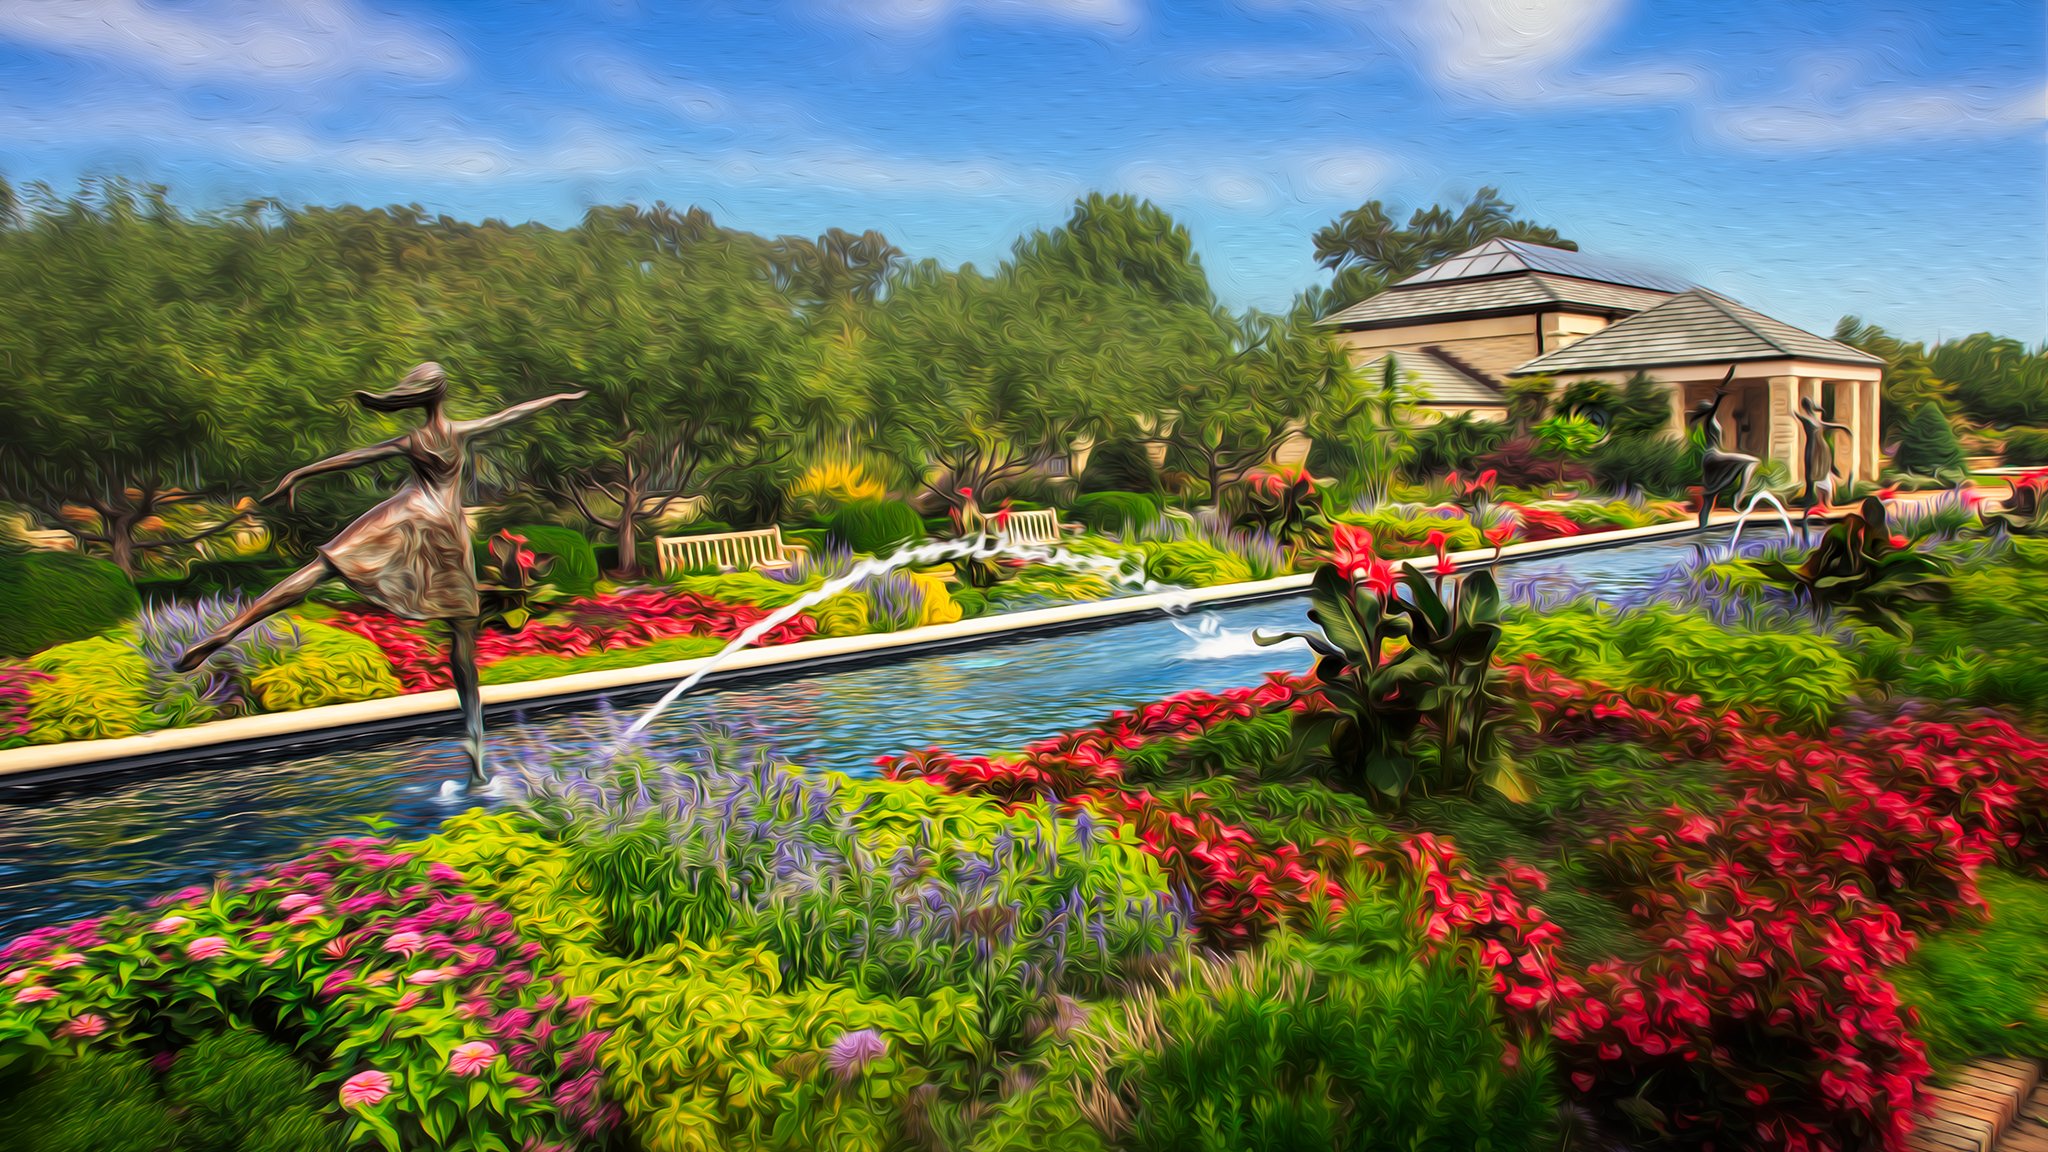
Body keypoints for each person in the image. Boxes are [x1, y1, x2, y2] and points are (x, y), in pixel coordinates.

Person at [175, 362, 584, 781]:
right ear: (442, 396)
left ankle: (228, 630)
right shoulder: (459, 432)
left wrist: (299, 473)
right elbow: (513, 414)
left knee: (324, 567)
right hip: (443, 529)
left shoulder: (412, 440)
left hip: (405, 515)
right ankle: (476, 753)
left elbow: (352, 458)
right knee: (463, 639)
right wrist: (559, 399)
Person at [1687, 368, 1760, 529]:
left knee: (1709, 496)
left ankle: (1702, 529)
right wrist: (1719, 398)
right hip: (1714, 455)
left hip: (1710, 458)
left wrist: (1720, 394)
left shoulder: (1708, 421)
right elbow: (1714, 409)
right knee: (1751, 462)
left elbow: (1714, 408)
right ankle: (1738, 497)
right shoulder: (1709, 420)